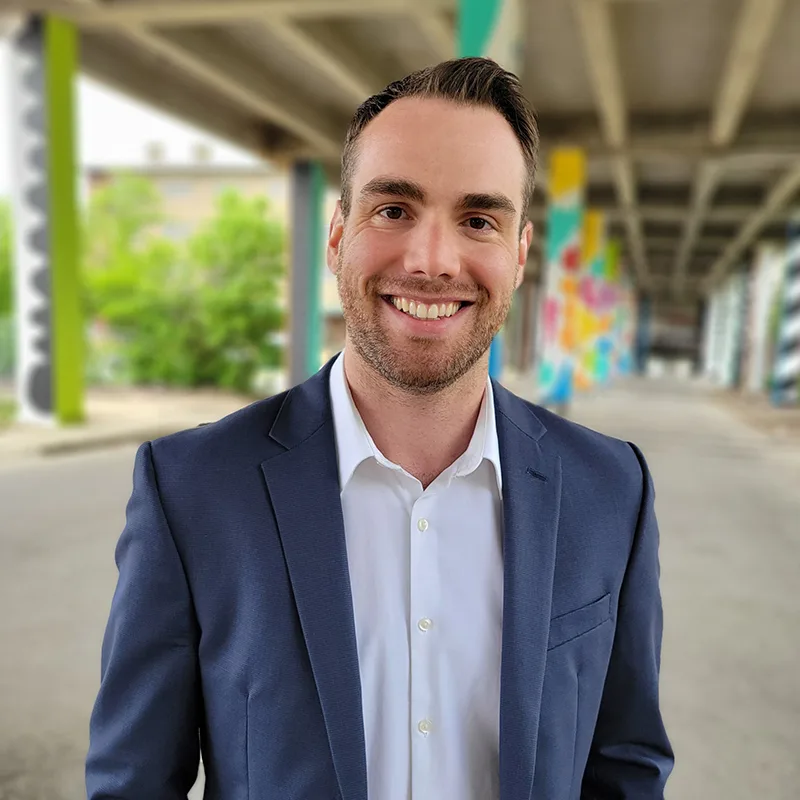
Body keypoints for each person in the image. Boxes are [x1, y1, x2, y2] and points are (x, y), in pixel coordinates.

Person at [86, 57, 673, 799]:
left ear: (521, 255)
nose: (431, 261)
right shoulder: (193, 488)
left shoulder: (611, 490)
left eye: (478, 219)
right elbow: (134, 782)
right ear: (337, 235)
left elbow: (626, 767)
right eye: (393, 209)